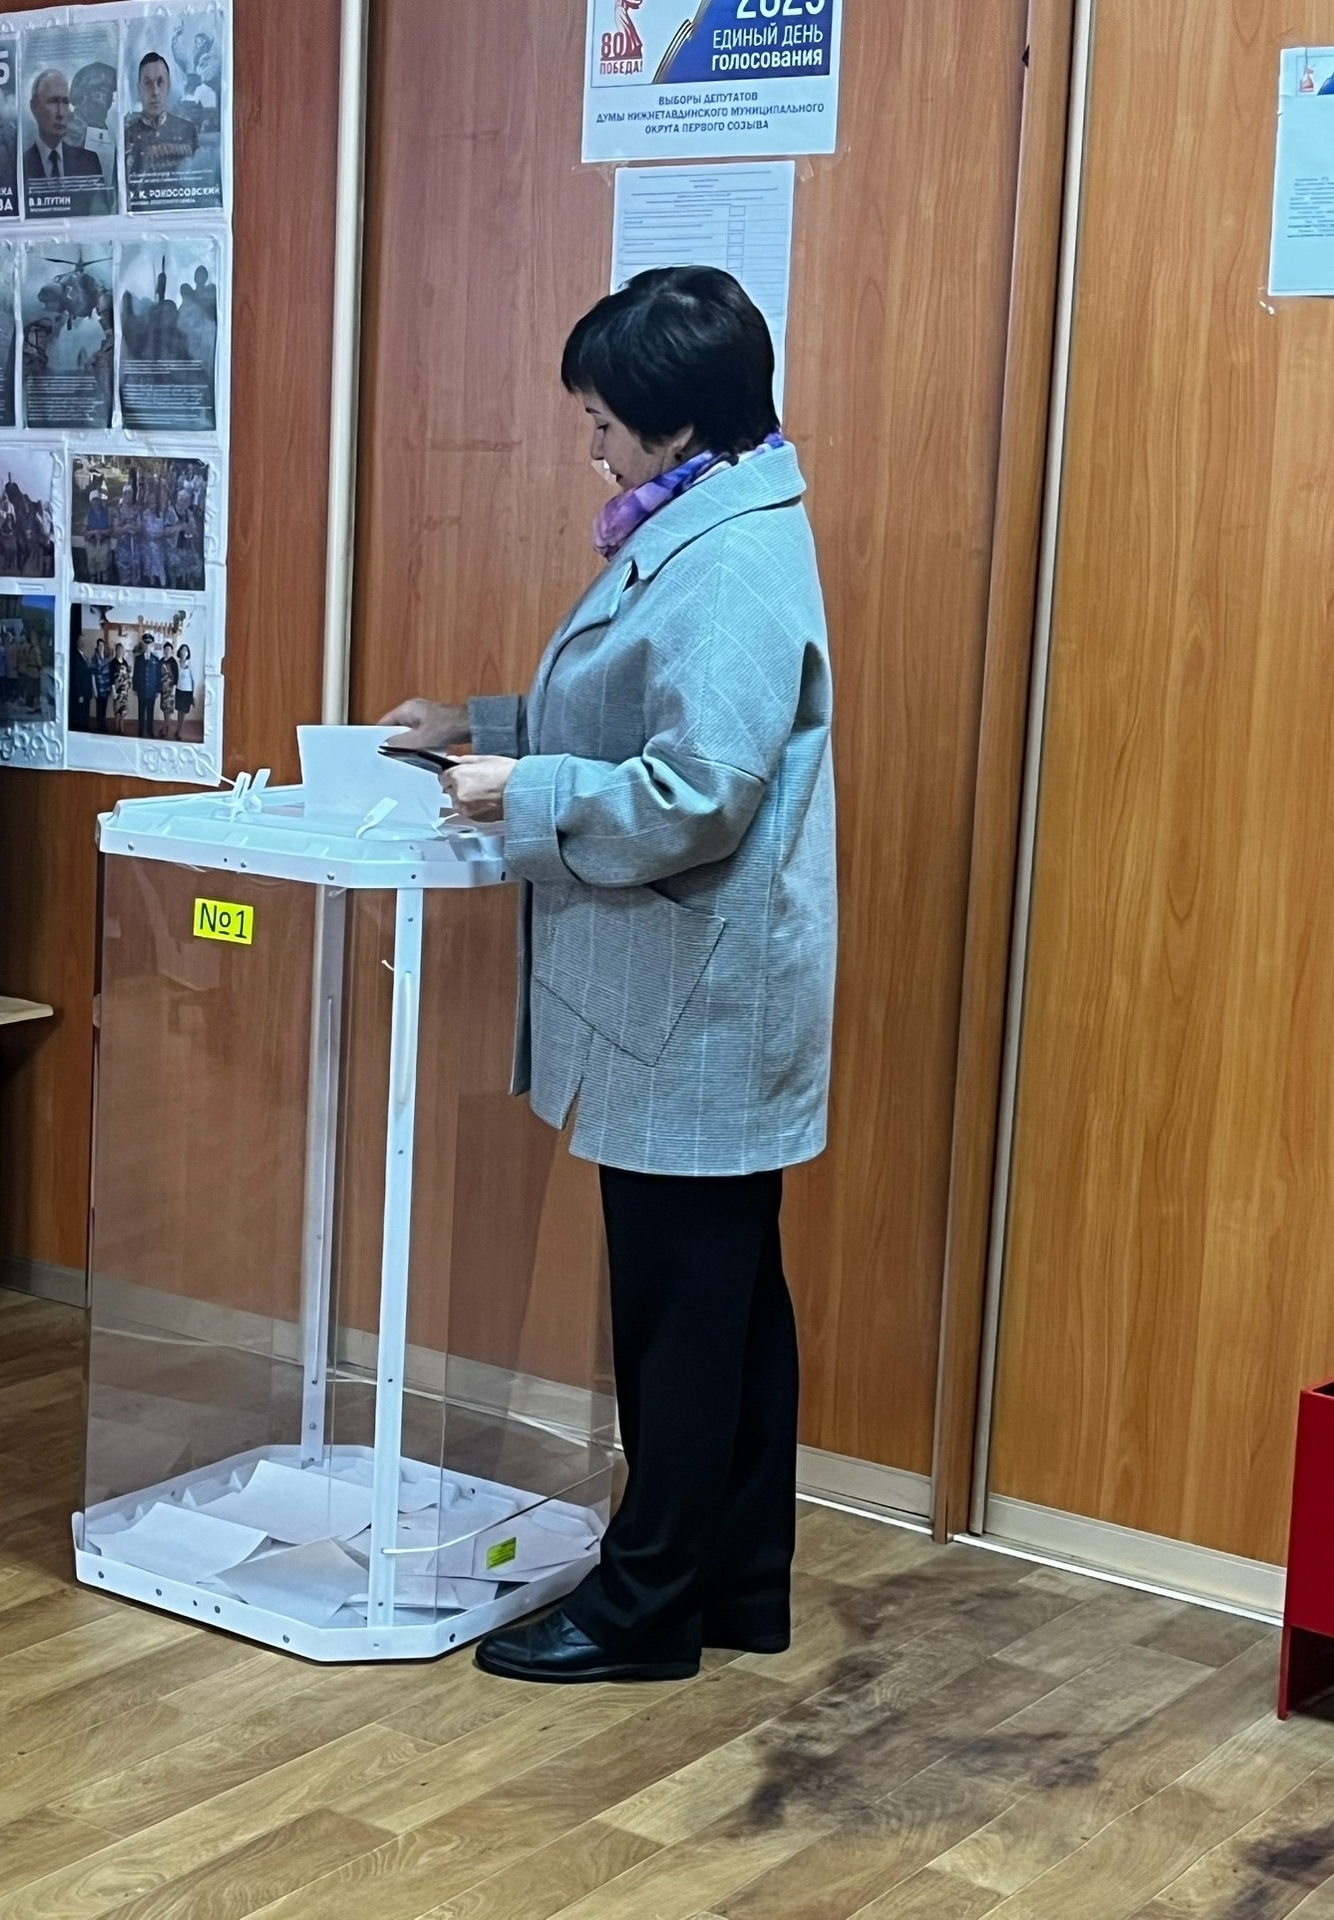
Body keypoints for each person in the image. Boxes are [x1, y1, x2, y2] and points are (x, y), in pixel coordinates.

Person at [382, 266, 833, 1685]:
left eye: (601, 423)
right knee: (725, 1305)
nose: (591, 448)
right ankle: (735, 1585)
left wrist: (520, 789)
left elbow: (699, 789)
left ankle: (644, 1608)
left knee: (682, 1319)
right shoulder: (709, 519)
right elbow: (641, 716)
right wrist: (482, 727)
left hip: (695, 993)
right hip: (687, 985)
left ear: (675, 425)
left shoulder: (732, 557)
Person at [125, 50, 199, 180]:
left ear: (168, 86)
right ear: (139, 89)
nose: (155, 91)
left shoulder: (188, 131)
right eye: (148, 83)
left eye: (161, 82)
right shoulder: (127, 136)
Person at [27, 69, 101, 186]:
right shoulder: (19, 165)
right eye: (52, 101)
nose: (60, 113)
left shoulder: (89, 162)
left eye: (65, 102)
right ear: (34, 107)